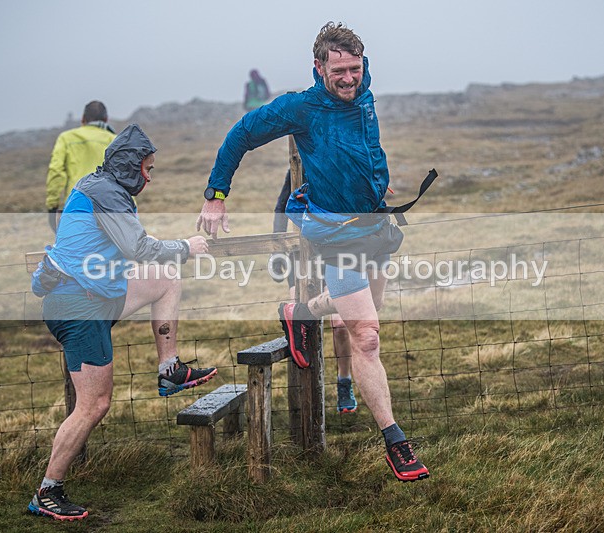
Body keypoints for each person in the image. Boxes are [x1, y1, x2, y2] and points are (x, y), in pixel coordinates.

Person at [198, 22, 429, 482]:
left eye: (355, 69)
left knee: (363, 311)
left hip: (376, 224)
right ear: (319, 67)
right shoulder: (301, 107)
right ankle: (396, 441)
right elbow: (242, 133)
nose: (349, 79)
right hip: (334, 231)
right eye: (338, 70)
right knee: (367, 336)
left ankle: (301, 311)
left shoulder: (363, 90)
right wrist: (215, 194)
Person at [29, 124, 217, 520]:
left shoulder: (101, 186)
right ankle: (48, 492)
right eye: (146, 169)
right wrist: (187, 246)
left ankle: (170, 370)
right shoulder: (108, 195)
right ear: (130, 165)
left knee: (166, 280)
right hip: (77, 305)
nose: (149, 177)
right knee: (93, 405)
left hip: (93, 293)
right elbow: (139, 247)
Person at [271, 169, 357, 413]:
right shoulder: (298, 166)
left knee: (340, 324)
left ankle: (344, 382)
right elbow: (280, 208)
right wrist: (277, 249)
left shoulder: (342, 162)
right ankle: (306, 395)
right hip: (300, 253)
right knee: (298, 320)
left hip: (337, 250)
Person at [46, 100, 116, 232]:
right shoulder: (114, 140)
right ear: (106, 119)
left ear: (83, 119)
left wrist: (52, 205)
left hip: (75, 207)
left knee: (75, 249)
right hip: (110, 209)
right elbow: (124, 176)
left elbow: (56, 172)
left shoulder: (66, 138)